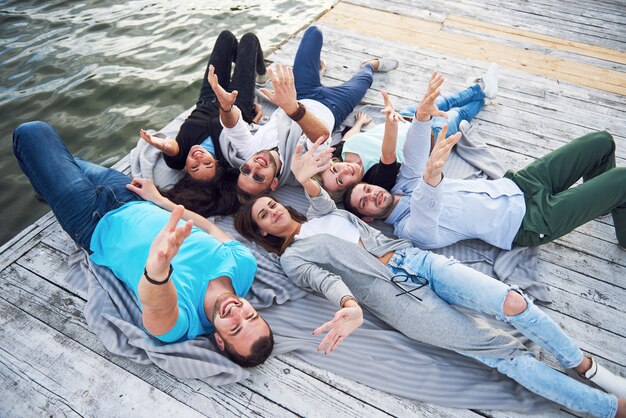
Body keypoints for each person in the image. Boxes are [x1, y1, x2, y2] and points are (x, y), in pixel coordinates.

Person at [234, 139, 626, 418]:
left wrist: (305, 177)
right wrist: (349, 307)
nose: (271, 212)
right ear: (264, 233)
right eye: (263, 217)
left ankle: (582, 364)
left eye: (271, 204)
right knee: (505, 354)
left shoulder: (322, 214)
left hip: (417, 261)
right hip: (402, 302)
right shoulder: (294, 259)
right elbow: (326, 282)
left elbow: (318, 195)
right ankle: (609, 408)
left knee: (514, 302)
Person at [13, 121, 273, 368]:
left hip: (92, 221)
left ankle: (48, 188)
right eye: (250, 316)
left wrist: (158, 268)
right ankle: (47, 188)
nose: (237, 313)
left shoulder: (181, 325)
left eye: (235, 328)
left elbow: (156, 304)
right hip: (131, 196)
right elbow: (211, 227)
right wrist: (159, 199)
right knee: (65, 163)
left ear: (219, 340)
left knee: (32, 134)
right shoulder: (244, 266)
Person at [344, 73, 626, 251]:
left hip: (519, 184)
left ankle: (604, 202)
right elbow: (427, 213)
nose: (372, 194)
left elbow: (416, 152)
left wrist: (421, 116)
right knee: (623, 179)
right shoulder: (410, 231)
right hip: (528, 221)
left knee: (601, 142)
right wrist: (431, 180)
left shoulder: (404, 184)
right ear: (368, 217)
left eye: (366, 189)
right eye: (365, 202)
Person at [211, 25, 399, 201]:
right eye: (258, 177)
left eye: (246, 170)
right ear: (274, 183)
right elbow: (321, 136)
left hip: (300, 92)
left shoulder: (250, 153)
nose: (255, 167)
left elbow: (233, 126)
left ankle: (316, 70)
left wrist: (226, 107)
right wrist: (291, 108)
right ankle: (369, 64)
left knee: (313, 33)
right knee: (365, 78)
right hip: (333, 106)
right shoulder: (299, 169)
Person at [314, 64, 498, 200]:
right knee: (458, 114)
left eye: (335, 169)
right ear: (346, 190)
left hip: (406, 117)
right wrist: (389, 122)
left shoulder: (340, 154)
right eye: (340, 180)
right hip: (429, 136)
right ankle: (484, 97)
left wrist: (359, 124)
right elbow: (388, 153)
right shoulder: (374, 179)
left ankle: (480, 88)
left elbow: (347, 139)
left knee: (443, 101)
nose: (344, 170)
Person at [139, 30, 266, 182]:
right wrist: (254, 120)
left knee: (226, 38)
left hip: (208, 100)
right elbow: (244, 138)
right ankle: (261, 72)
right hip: (237, 104)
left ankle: (242, 61)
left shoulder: (177, 160)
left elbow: (171, 148)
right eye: (207, 164)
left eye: (194, 167)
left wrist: (161, 144)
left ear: (185, 169)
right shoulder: (227, 158)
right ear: (217, 164)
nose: (199, 158)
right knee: (249, 39)